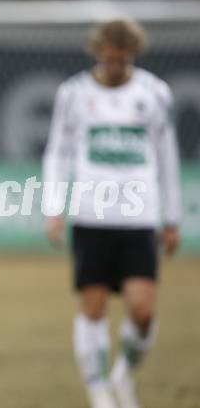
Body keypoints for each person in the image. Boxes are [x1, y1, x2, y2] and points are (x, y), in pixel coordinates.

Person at [42, 20, 181, 408]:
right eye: (110, 53)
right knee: (94, 306)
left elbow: (167, 158)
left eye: (124, 55)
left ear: (132, 53)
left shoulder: (155, 93)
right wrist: (54, 208)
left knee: (143, 310)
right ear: (99, 51)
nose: (117, 61)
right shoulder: (72, 94)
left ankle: (122, 376)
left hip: (140, 218)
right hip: (91, 216)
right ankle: (99, 390)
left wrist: (171, 219)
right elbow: (58, 152)